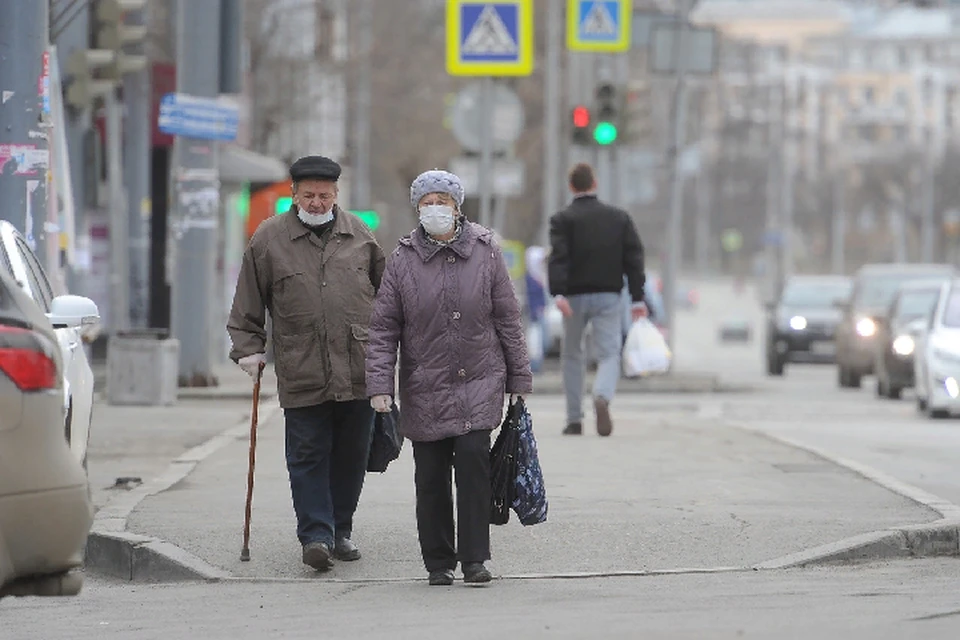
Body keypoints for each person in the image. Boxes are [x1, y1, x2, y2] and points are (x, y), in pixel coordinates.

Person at [366, 169, 533, 586]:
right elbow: (384, 327)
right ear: (417, 209)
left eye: (442, 201)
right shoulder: (402, 260)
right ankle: (438, 561)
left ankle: (475, 558)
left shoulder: (486, 250)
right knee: (430, 477)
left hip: (479, 378)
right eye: (426, 203)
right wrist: (379, 387)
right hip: (425, 385)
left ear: (457, 207)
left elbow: (508, 319)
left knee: (474, 466)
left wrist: (519, 377)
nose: (435, 209)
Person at [227, 155, 386, 572]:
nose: (317, 202)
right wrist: (249, 347)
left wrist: (393, 353)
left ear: (337, 195)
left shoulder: (361, 235)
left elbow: (388, 301)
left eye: (325, 195)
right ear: (294, 194)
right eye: (309, 195)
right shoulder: (269, 239)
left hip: (358, 367)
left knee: (353, 455)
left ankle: (341, 530)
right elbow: (247, 302)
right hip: (302, 367)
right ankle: (316, 535)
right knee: (308, 453)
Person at [548, 163, 646, 437]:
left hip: (574, 299)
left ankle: (574, 419)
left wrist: (558, 292)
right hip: (608, 296)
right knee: (609, 353)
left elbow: (558, 258)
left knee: (571, 355)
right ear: (595, 183)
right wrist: (637, 298)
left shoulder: (562, 219)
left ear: (571, 187)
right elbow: (634, 260)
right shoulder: (619, 218)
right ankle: (602, 396)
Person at [524, 246, 549, 373]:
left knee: (542, 342)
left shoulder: (539, 276)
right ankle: (535, 367)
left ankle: (537, 366)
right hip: (536, 314)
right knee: (536, 343)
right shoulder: (531, 278)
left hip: (541, 312)